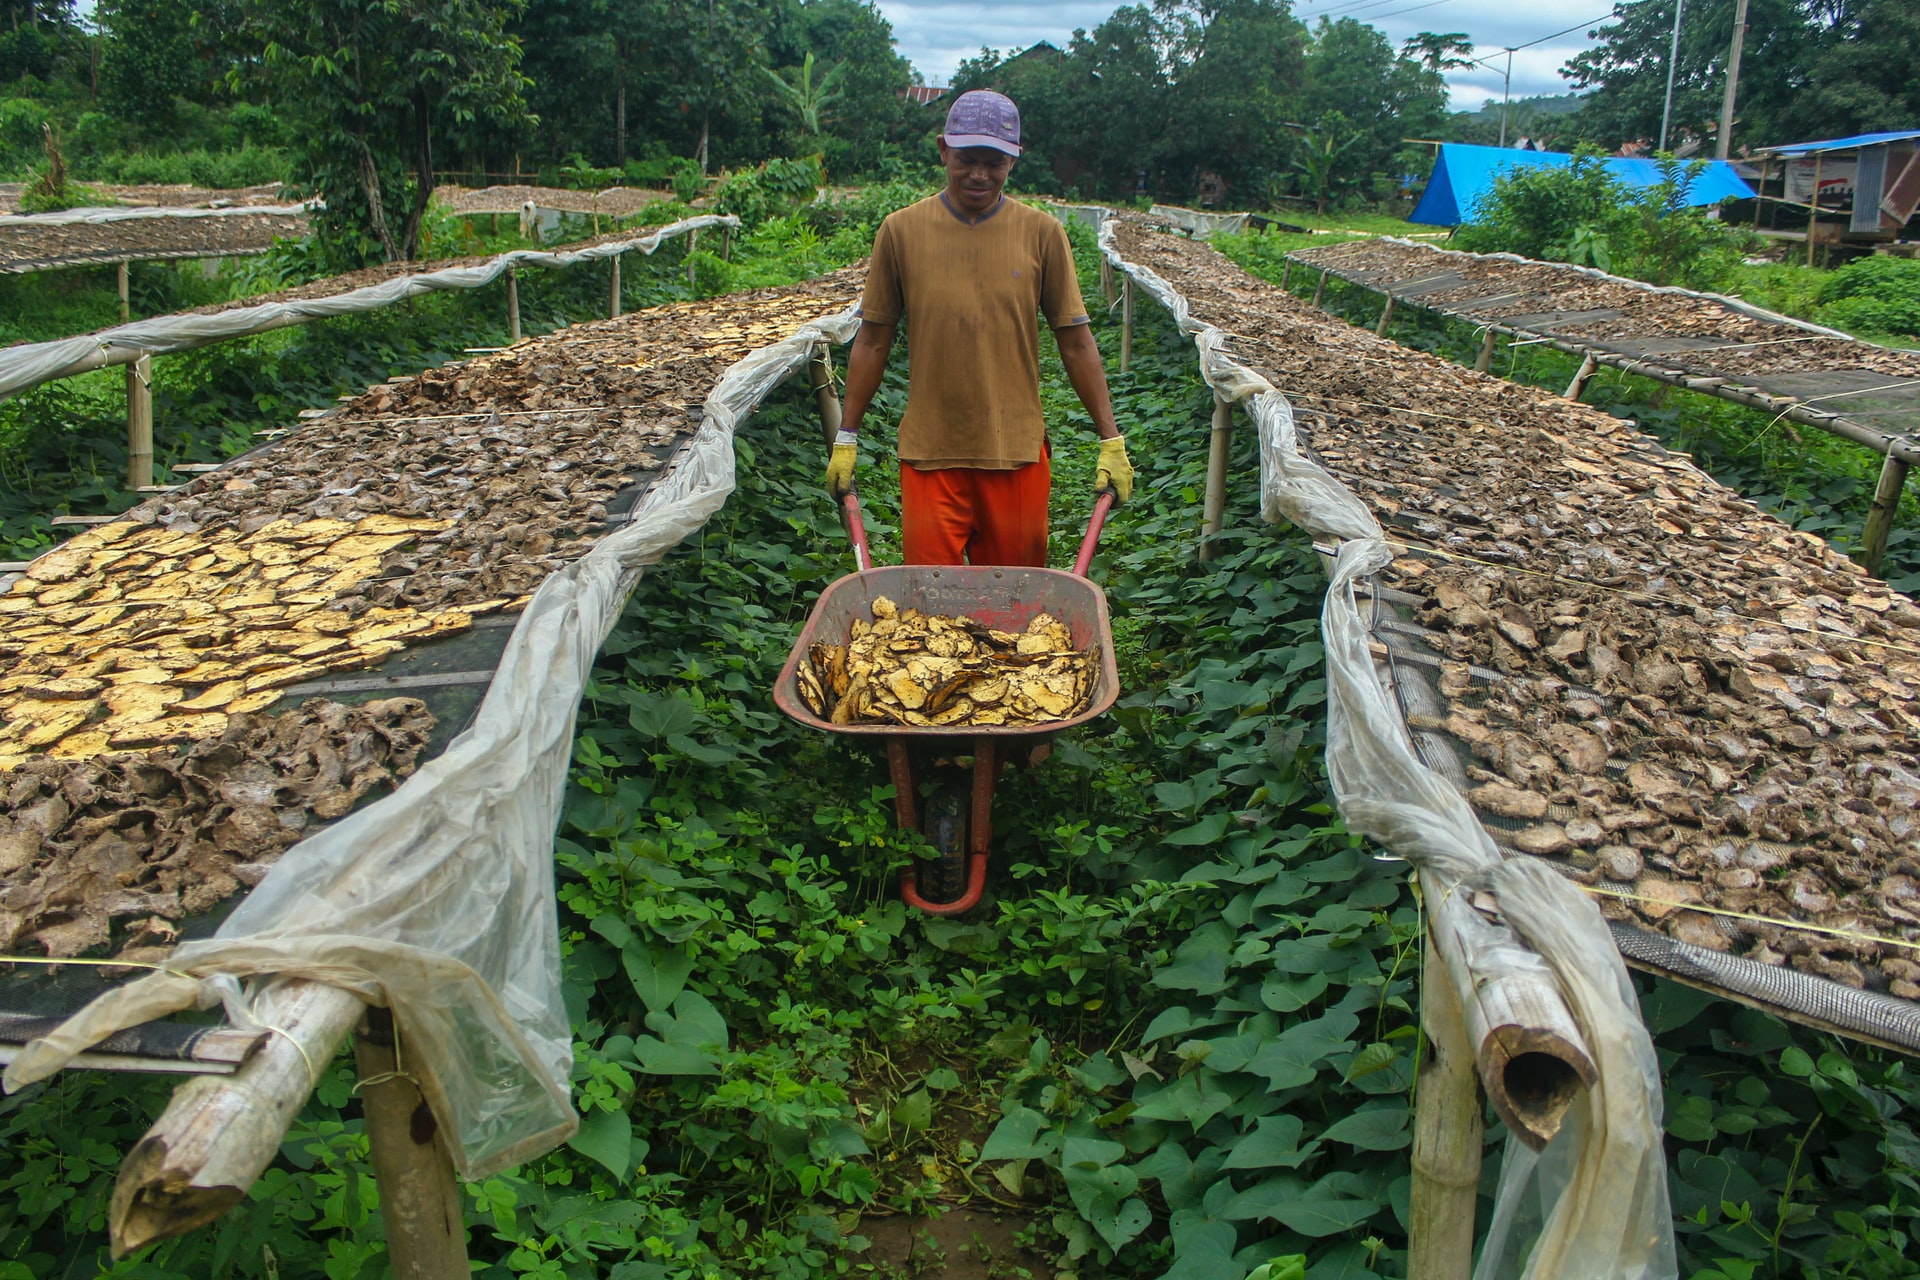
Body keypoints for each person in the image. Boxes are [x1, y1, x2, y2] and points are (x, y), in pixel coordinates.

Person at [824, 89, 1134, 567]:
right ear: (943, 150)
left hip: (1015, 452)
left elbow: (1075, 342)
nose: (979, 175)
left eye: (995, 162)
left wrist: (1110, 439)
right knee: (930, 611)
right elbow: (873, 338)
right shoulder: (902, 231)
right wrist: (847, 435)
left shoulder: (1042, 234)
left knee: (1014, 606)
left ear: (1014, 160)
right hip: (931, 454)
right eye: (967, 159)